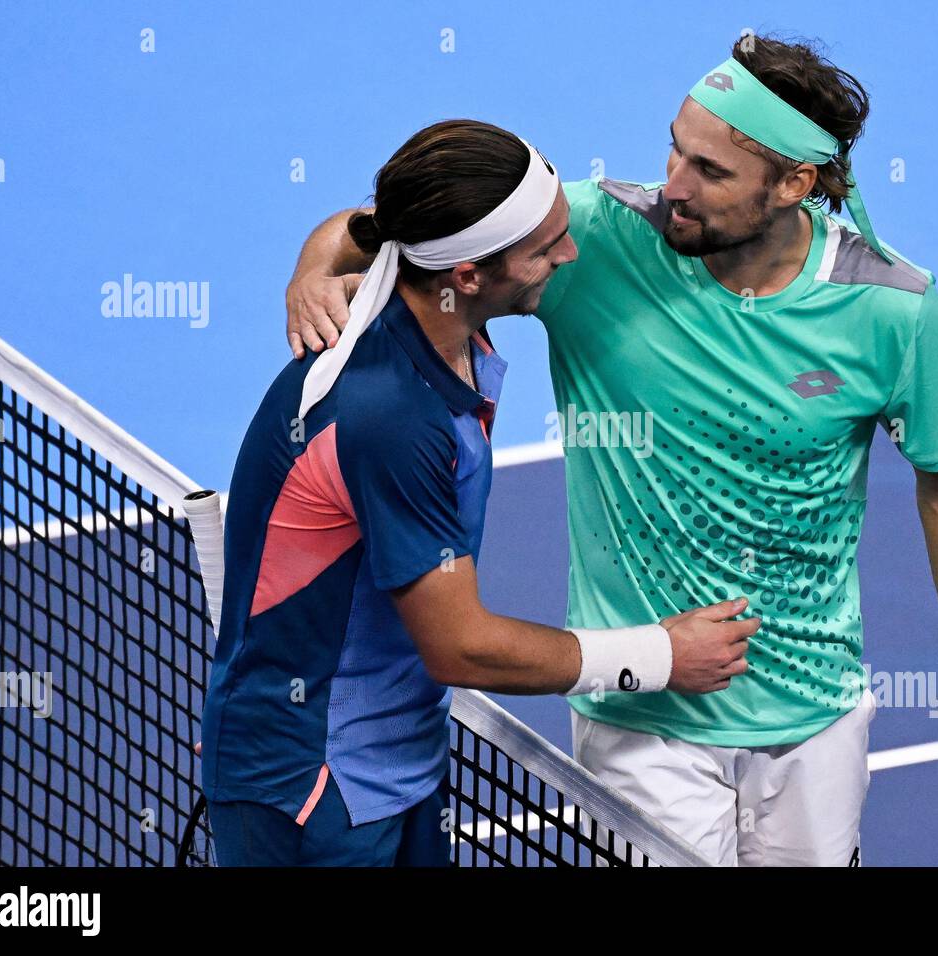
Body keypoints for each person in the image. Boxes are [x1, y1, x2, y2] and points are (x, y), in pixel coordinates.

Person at [284, 35, 938, 866]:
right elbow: (391, 228)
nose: (675, 185)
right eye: (676, 147)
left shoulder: (890, 309)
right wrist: (314, 269)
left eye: (711, 171)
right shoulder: (593, 240)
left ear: (794, 184)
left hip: (815, 715)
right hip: (641, 723)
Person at [201, 119, 757, 867]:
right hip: (311, 788)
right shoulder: (390, 416)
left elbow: (362, 224)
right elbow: (460, 646)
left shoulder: (431, 303)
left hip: (399, 764)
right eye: (544, 249)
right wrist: (659, 656)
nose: (570, 254)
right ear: (466, 276)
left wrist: (312, 264)